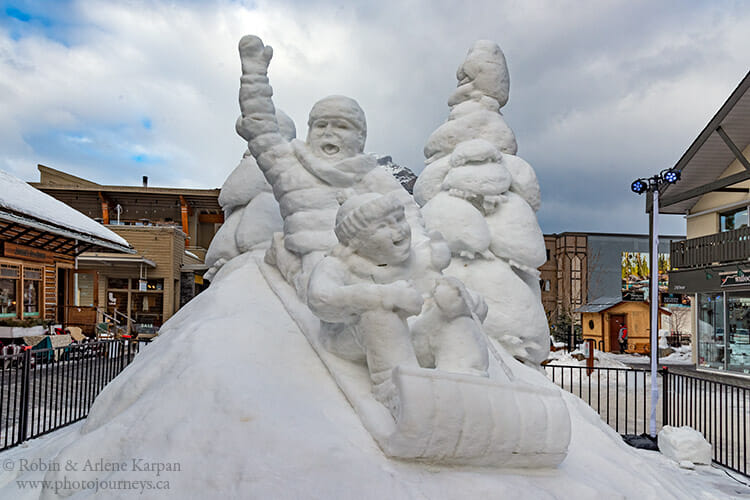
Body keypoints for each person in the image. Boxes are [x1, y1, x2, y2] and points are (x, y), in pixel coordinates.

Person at [235, 35, 423, 297]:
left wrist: (426, 252)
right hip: (314, 258)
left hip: (372, 260)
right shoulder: (289, 166)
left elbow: (409, 214)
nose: (328, 132)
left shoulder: (370, 175)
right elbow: (261, 129)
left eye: (341, 126)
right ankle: (286, 260)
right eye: (321, 125)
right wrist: (255, 76)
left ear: (360, 138)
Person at [307, 193, 489, 412]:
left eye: (399, 219)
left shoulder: (417, 259)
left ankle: (466, 378)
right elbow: (320, 298)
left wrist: (462, 302)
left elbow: (474, 308)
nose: (399, 229)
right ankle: (396, 389)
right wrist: (383, 296)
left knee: (449, 310)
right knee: (381, 312)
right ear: (356, 242)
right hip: (351, 337)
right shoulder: (337, 265)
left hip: (411, 336)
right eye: (383, 225)